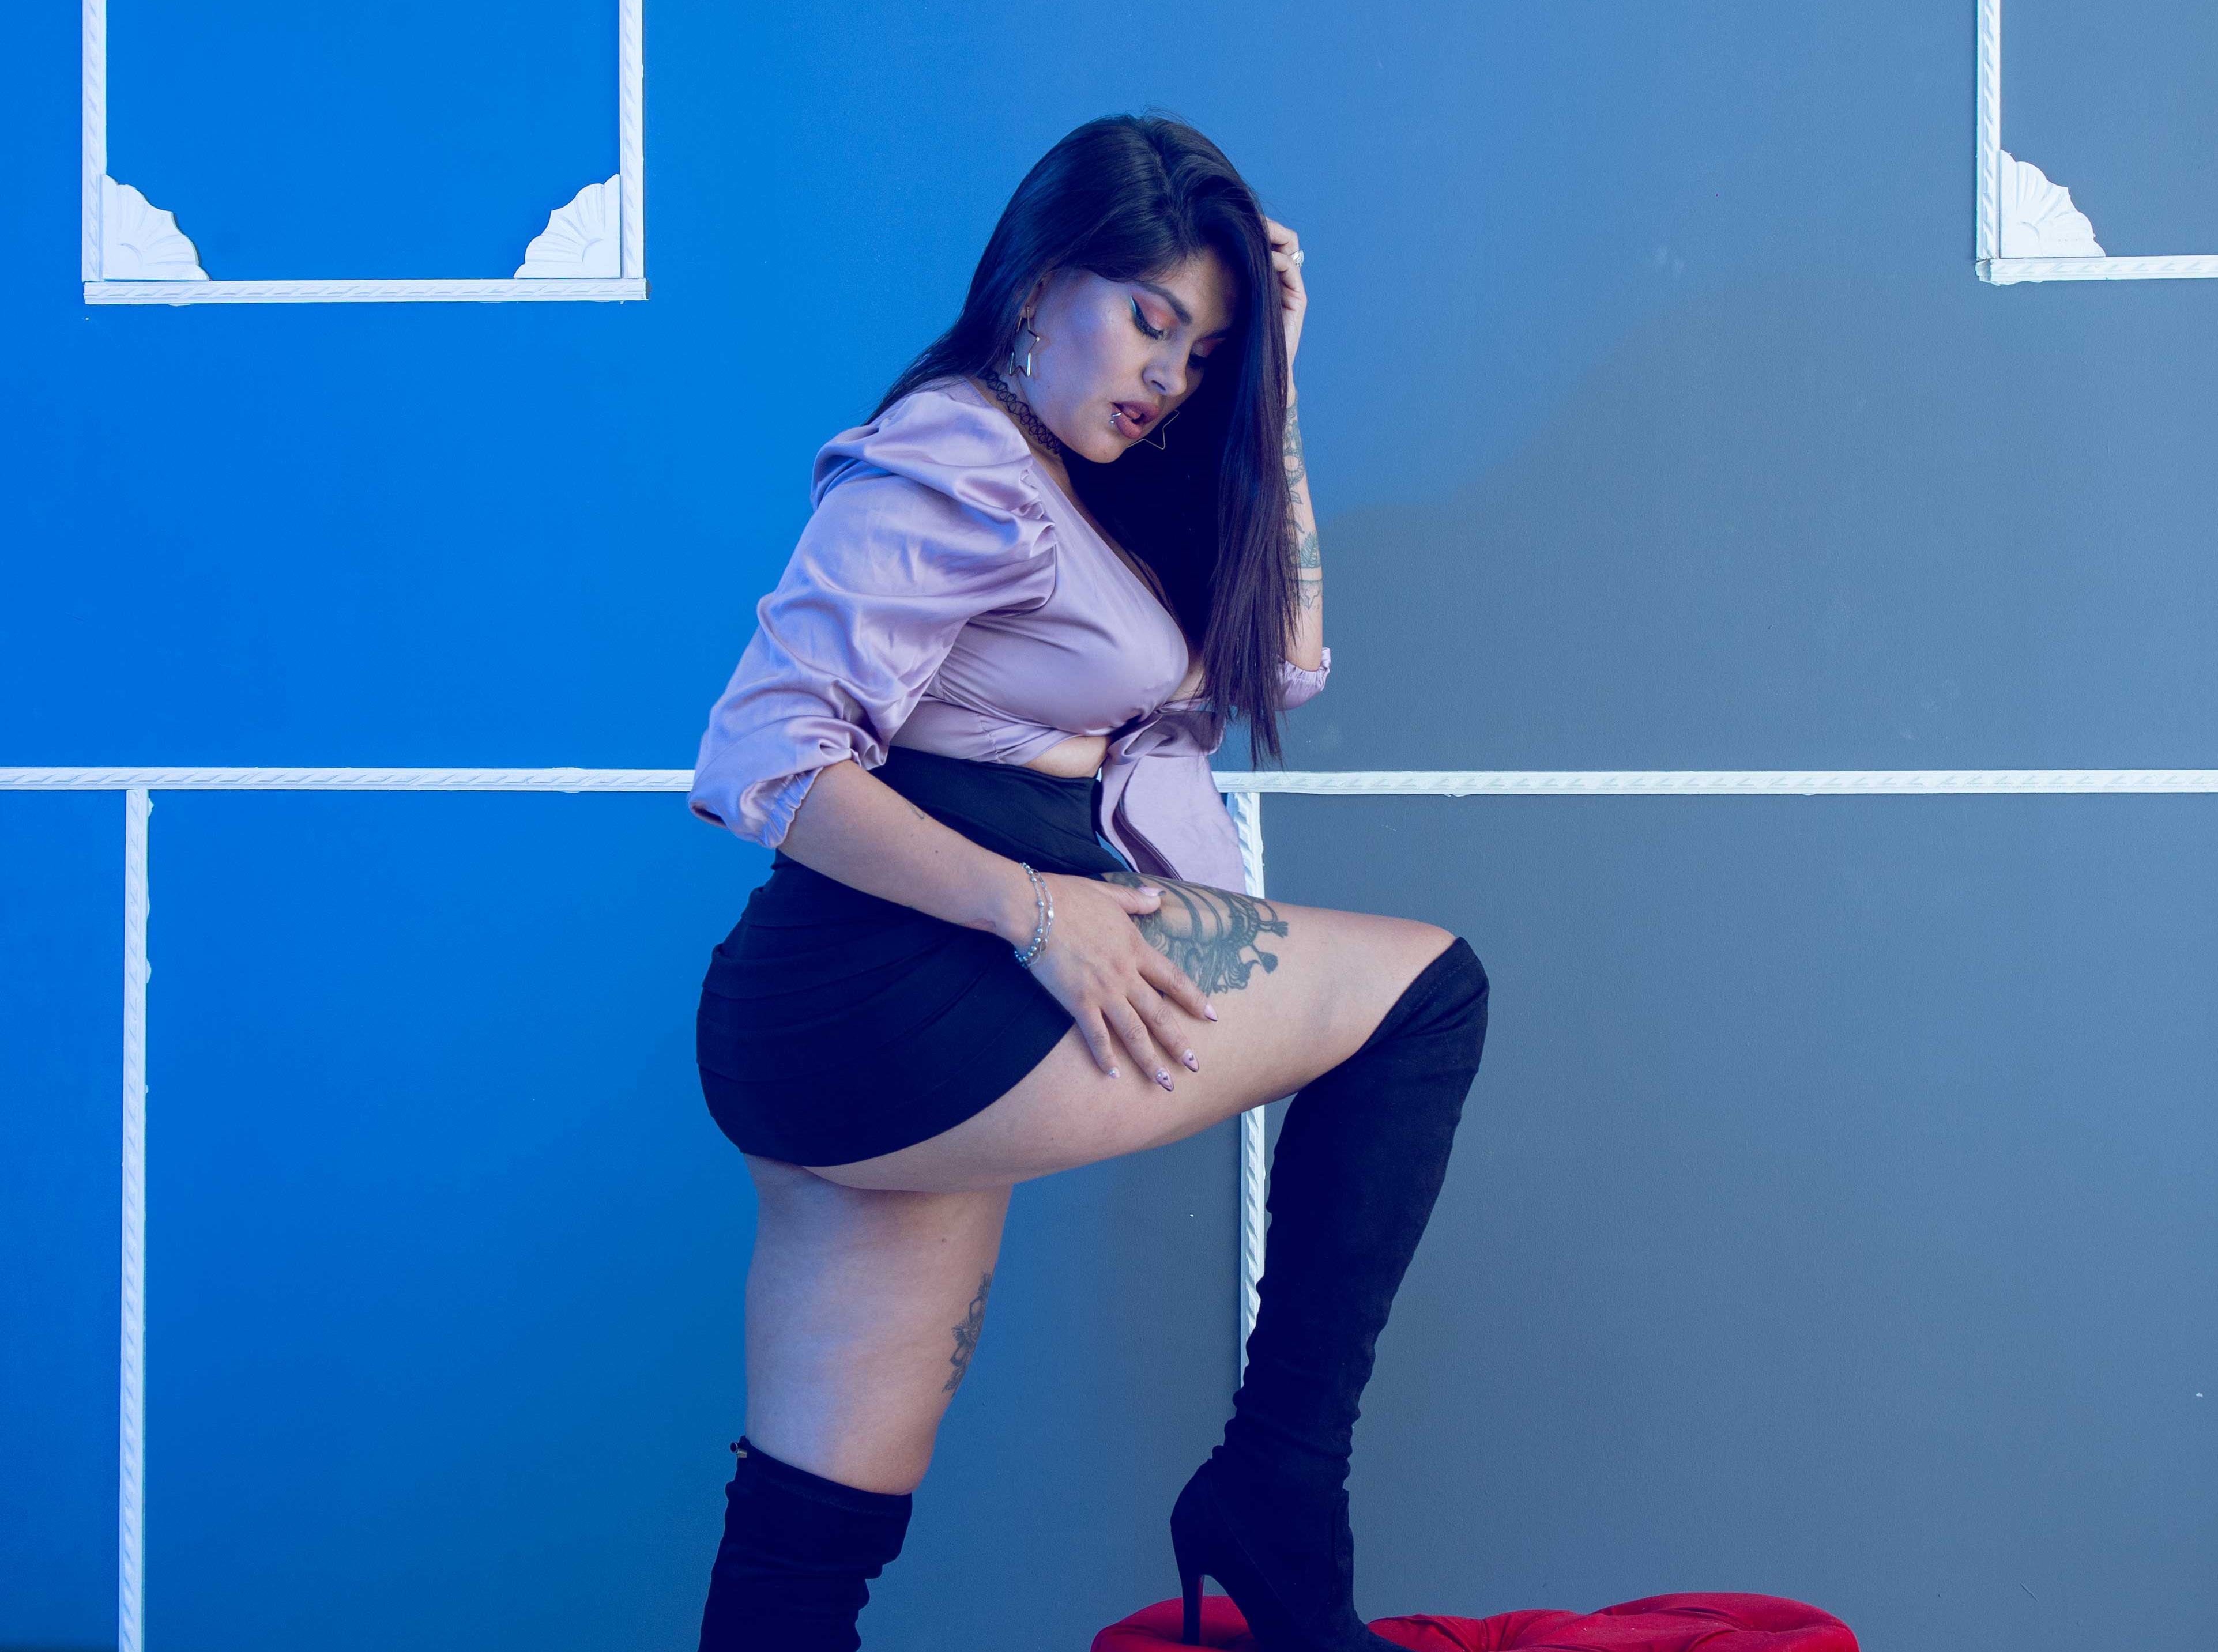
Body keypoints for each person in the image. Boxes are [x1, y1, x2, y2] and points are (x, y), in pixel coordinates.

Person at [685, 112, 1489, 1652]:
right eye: (1148, 320)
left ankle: (1270, 1502)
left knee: (805, 1550)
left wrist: (1278, 384)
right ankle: (1278, 1491)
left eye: (1201, 352)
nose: (1166, 377)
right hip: (908, 989)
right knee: (1425, 998)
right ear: (1042, 281)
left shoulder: (1070, 474)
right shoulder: (953, 456)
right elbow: (763, 754)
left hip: (856, 1025)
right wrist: (1040, 913)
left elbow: (1286, 666)